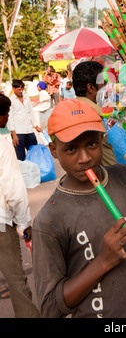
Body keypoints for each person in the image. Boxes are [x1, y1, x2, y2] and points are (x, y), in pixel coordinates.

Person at [32, 99, 126, 318]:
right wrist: (104, 261)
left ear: (101, 139)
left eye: (91, 145)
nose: (84, 158)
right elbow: (49, 306)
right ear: (53, 150)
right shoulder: (49, 220)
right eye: (71, 149)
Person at [0, 94, 40, 317]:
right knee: (17, 282)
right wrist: (25, 223)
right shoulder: (3, 148)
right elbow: (14, 191)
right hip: (1, 223)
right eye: (5, 114)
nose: (7, 119)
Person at [72, 60, 117, 166]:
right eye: (104, 84)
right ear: (91, 88)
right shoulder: (92, 117)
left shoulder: (76, 109)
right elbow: (104, 160)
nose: (108, 88)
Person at [7, 79, 41, 161]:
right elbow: (10, 117)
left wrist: (36, 126)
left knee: (34, 154)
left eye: (22, 89)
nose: (21, 91)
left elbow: (31, 112)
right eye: (19, 89)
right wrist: (14, 135)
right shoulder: (10, 100)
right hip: (18, 132)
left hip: (29, 130)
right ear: (13, 89)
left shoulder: (26, 97)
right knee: (20, 157)